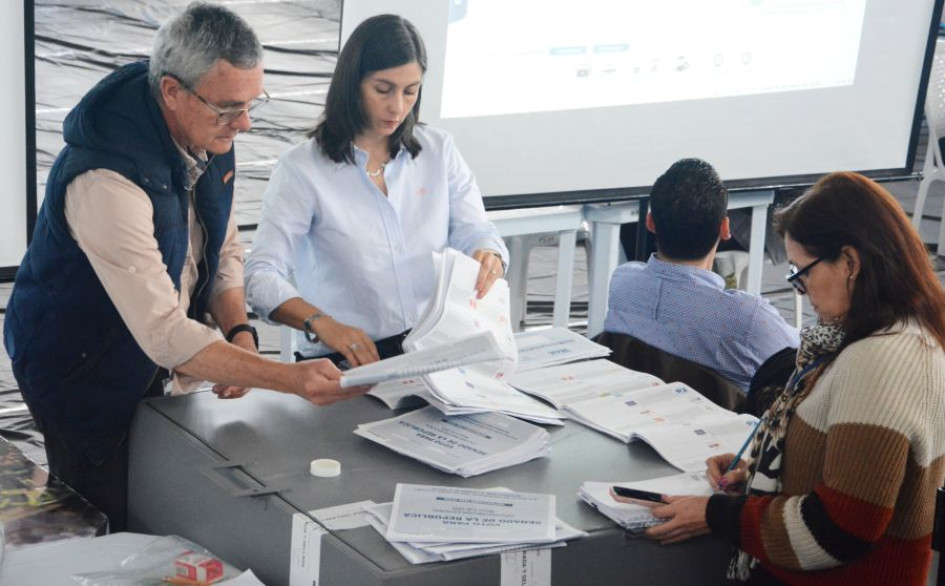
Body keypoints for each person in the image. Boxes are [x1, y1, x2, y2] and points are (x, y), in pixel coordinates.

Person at [3, 3, 364, 532]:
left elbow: (222, 250)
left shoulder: (210, 131)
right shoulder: (104, 179)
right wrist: (287, 379)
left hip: (153, 360)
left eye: (251, 104)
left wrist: (240, 331)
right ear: (172, 91)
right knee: (105, 520)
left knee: (163, 498)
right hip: (78, 371)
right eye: (227, 109)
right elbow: (164, 332)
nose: (242, 124)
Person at [623, 172, 945, 585]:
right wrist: (761, 474)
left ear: (849, 262)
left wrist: (716, 514)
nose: (799, 289)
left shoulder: (880, 360)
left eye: (802, 272)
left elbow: (837, 531)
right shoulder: (880, 337)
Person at [244, 14, 508, 368]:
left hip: (436, 350)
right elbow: (261, 275)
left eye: (410, 91)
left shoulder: (438, 150)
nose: (397, 106)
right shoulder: (302, 169)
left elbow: (476, 231)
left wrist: (487, 253)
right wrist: (323, 324)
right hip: (346, 358)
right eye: (383, 90)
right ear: (352, 85)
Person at [603, 158, 798, 391]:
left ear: (650, 223)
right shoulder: (747, 319)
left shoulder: (622, 284)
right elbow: (807, 361)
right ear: (725, 228)